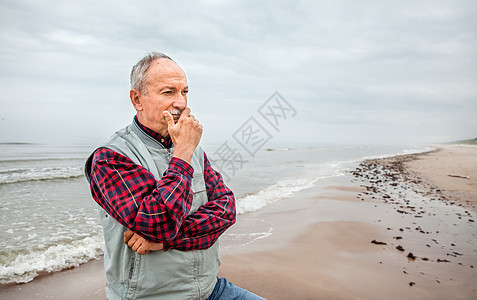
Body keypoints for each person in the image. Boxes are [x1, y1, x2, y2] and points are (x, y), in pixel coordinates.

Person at [84, 52, 264, 300]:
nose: (181, 103)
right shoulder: (110, 157)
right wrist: (182, 154)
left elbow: (226, 209)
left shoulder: (191, 148)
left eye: (185, 92)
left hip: (209, 289)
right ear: (137, 99)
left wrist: (167, 242)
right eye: (168, 92)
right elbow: (158, 223)